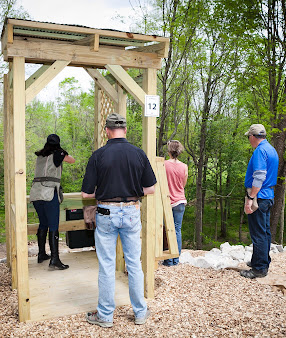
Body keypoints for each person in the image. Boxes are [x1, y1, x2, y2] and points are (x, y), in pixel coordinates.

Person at [81, 113, 156, 328]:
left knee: (106, 265)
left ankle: (105, 316)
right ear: (125, 129)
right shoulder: (138, 154)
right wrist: (131, 189)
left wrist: (105, 190)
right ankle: (140, 312)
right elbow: (150, 188)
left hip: (106, 213)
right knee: (134, 264)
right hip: (132, 211)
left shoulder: (98, 155)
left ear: (107, 130)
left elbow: (86, 194)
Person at [30, 134, 75, 270]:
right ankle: (54, 259)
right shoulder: (58, 153)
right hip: (49, 193)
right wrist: (62, 152)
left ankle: (42, 254)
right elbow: (72, 160)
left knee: (43, 224)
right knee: (53, 225)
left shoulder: (40, 155)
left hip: (36, 192)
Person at [241, 124, 278, 279]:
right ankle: (262, 260)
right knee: (265, 232)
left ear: (252, 136)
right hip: (268, 194)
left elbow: (259, 176)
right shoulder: (271, 149)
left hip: (259, 196)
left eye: (248, 137)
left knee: (258, 234)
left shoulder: (260, 151)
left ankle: (259, 268)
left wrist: (250, 198)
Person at [163, 140, 188, 266]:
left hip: (167, 201)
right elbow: (183, 184)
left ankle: (168, 259)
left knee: (167, 230)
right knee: (177, 230)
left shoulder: (164, 164)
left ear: (169, 151)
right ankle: (176, 260)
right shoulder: (184, 166)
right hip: (180, 201)